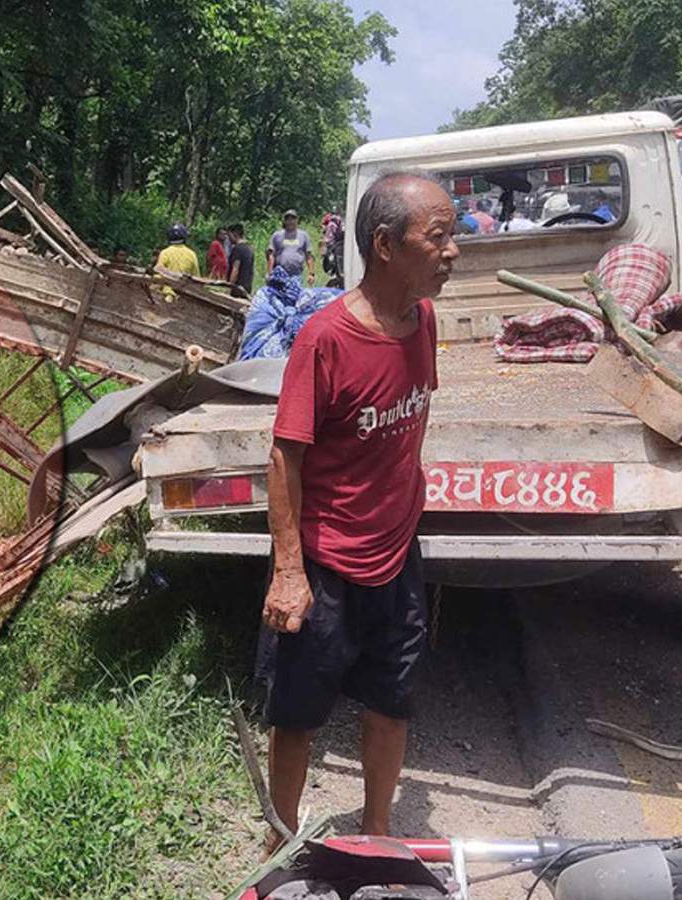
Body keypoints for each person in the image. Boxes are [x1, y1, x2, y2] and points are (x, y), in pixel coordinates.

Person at [259, 170, 456, 850]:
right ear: (384, 246)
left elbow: (414, 419)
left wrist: (403, 503)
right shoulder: (325, 339)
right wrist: (289, 573)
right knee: (299, 713)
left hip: (397, 555)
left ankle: (376, 832)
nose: (453, 251)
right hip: (327, 564)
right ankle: (279, 845)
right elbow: (285, 458)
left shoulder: (424, 321)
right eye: (439, 237)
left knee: (392, 699)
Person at [268, 209, 315, 283]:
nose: (290, 222)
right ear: (284, 221)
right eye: (288, 219)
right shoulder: (277, 235)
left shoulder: (303, 235)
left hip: (296, 274)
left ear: (297, 221)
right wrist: (269, 273)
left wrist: (311, 274)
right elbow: (271, 255)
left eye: (293, 219)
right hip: (280, 273)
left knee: (294, 293)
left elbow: (308, 256)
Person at [227, 223, 257, 300]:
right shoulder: (250, 249)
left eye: (229, 235)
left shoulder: (237, 249)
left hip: (237, 289)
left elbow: (235, 269)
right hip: (247, 288)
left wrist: (229, 287)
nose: (228, 238)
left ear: (235, 234)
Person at [320, 211, 345, 277]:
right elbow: (336, 233)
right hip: (331, 241)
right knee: (334, 254)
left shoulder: (329, 224)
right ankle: (332, 267)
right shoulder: (333, 225)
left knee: (330, 253)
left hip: (328, 241)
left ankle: (332, 267)